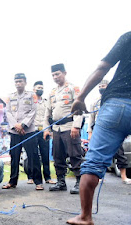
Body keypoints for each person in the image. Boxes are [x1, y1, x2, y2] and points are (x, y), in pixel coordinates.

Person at [67, 31, 131, 225]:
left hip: (117, 105)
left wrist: (80, 98)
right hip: (116, 107)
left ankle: (85, 216)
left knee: (93, 163)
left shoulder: (129, 37)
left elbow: (103, 67)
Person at [43, 63, 84, 194]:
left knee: (74, 154)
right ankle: (61, 182)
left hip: (69, 126)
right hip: (56, 128)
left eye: (57, 74)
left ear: (65, 73)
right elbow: (47, 112)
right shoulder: (52, 92)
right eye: (53, 75)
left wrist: (76, 126)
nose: (55, 77)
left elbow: (79, 108)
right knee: (57, 155)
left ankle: (79, 182)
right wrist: (46, 129)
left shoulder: (73, 88)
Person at [2, 73, 43, 190]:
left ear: (25, 82)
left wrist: (23, 125)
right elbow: (8, 112)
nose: (18, 84)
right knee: (14, 156)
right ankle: (12, 181)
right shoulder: (10, 96)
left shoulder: (32, 95)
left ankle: (38, 182)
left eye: (20, 81)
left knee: (33, 156)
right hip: (15, 131)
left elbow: (33, 111)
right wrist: (16, 126)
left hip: (28, 131)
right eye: (16, 82)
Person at [87, 80, 131, 185]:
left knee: (120, 154)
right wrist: (90, 133)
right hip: (99, 131)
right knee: (99, 156)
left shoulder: (114, 100)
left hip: (114, 131)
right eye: (100, 86)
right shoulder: (95, 102)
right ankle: (100, 177)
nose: (101, 88)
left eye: (104, 86)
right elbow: (91, 119)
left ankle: (124, 177)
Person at [33, 81, 55, 184]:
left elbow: (50, 116)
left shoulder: (47, 101)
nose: (40, 89)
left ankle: (48, 177)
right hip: (33, 130)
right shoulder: (31, 101)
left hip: (44, 130)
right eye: (38, 87)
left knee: (45, 154)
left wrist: (50, 130)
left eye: (42, 87)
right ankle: (32, 177)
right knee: (33, 155)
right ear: (34, 89)